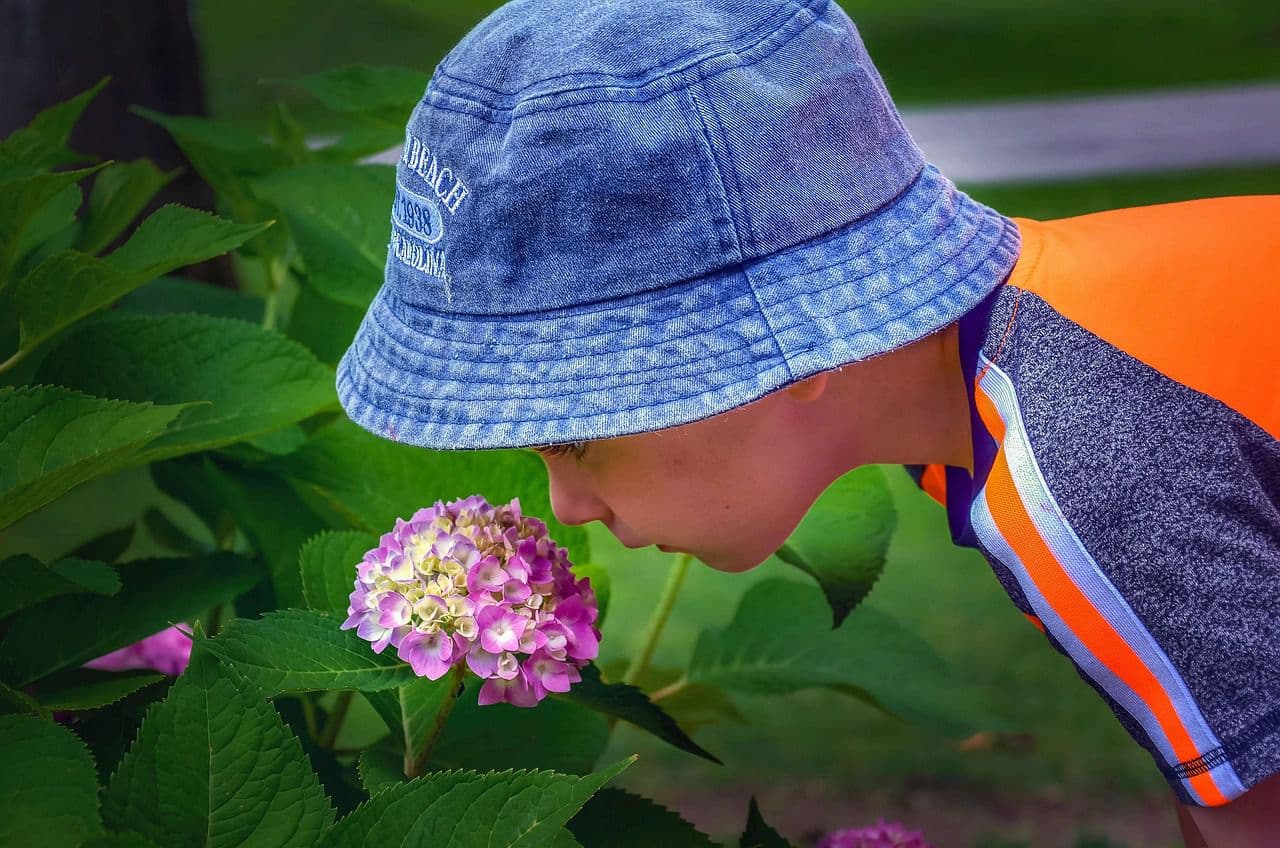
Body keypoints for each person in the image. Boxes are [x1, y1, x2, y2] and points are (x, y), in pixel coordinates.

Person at [334, 0, 1279, 843]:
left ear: (791, 351)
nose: (568, 505)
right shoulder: (1031, 369)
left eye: (581, 438)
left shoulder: (1082, 471)